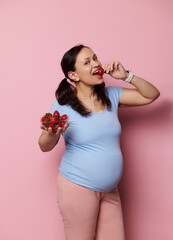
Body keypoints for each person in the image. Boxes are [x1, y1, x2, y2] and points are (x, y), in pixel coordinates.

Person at [38, 44, 160, 240]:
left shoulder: (111, 96)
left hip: (110, 191)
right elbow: (44, 145)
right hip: (77, 188)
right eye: (87, 62)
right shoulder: (64, 105)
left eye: (95, 58)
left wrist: (126, 76)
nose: (96, 63)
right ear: (74, 76)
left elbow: (151, 95)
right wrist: (52, 133)